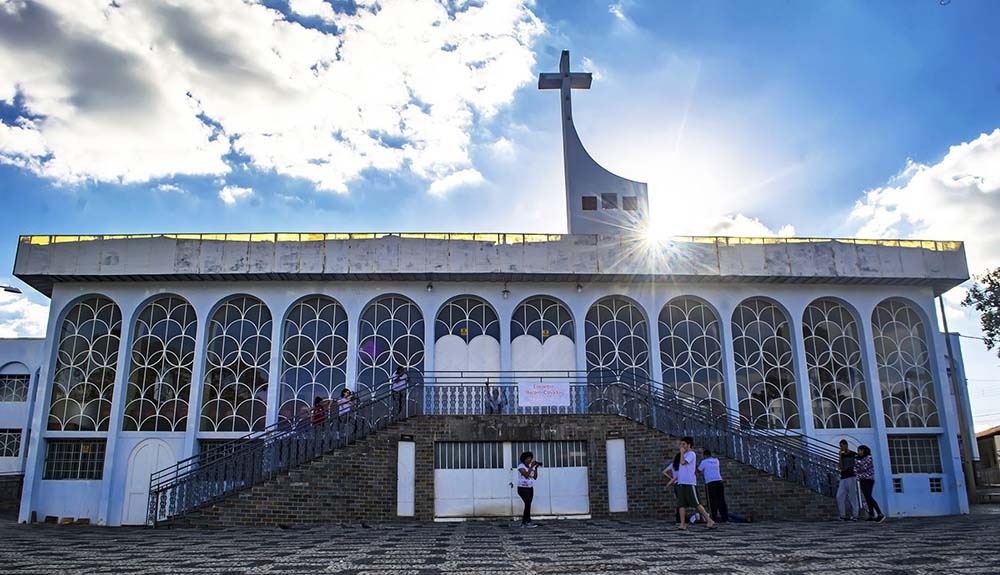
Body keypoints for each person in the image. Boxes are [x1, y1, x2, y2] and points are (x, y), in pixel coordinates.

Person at [676, 436, 716, 530]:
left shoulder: (691, 454)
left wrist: (681, 453)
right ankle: (682, 524)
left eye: (683, 444)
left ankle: (709, 519)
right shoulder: (684, 454)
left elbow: (682, 462)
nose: (681, 446)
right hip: (681, 482)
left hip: (689, 482)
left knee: (696, 503)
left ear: (689, 445)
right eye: (681, 444)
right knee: (681, 504)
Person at [854, 445, 886, 523]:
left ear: (863, 450)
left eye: (859, 451)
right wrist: (857, 464)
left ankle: (880, 513)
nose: (858, 452)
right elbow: (855, 469)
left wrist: (857, 463)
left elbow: (863, 467)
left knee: (869, 497)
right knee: (867, 497)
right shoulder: (860, 459)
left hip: (868, 480)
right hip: (862, 479)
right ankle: (871, 514)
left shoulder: (868, 458)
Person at [698, 449, 728, 523]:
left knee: (711, 501)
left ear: (704, 455)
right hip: (719, 481)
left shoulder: (704, 462)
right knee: (721, 500)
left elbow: (698, 470)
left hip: (710, 482)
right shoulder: (716, 460)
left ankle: (713, 518)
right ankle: (725, 518)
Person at [837, 439, 860, 521]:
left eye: (842, 446)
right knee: (839, 496)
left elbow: (857, 464)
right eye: (840, 446)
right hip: (843, 477)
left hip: (851, 476)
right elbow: (841, 467)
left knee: (852, 496)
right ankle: (842, 515)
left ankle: (855, 515)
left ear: (846, 445)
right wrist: (839, 456)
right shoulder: (842, 455)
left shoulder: (853, 454)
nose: (841, 448)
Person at [516, 451, 540, 528]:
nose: (530, 460)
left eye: (531, 458)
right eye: (528, 458)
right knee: (527, 503)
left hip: (530, 488)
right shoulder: (521, 466)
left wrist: (535, 468)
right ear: (524, 459)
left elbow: (535, 477)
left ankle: (525, 522)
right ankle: (526, 521)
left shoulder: (530, 467)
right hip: (522, 488)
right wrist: (531, 467)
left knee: (528, 504)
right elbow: (526, 475)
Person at [661, 452, 682, 524]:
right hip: (681, 484)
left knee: (679, 500)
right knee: (681, 502)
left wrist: (670, 478)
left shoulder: (673, 465)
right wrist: (671, 481)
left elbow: (664, 472)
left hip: (675, 484)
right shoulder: (682, 465)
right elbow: (678, 476)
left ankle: (680, 517)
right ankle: (679, 517)